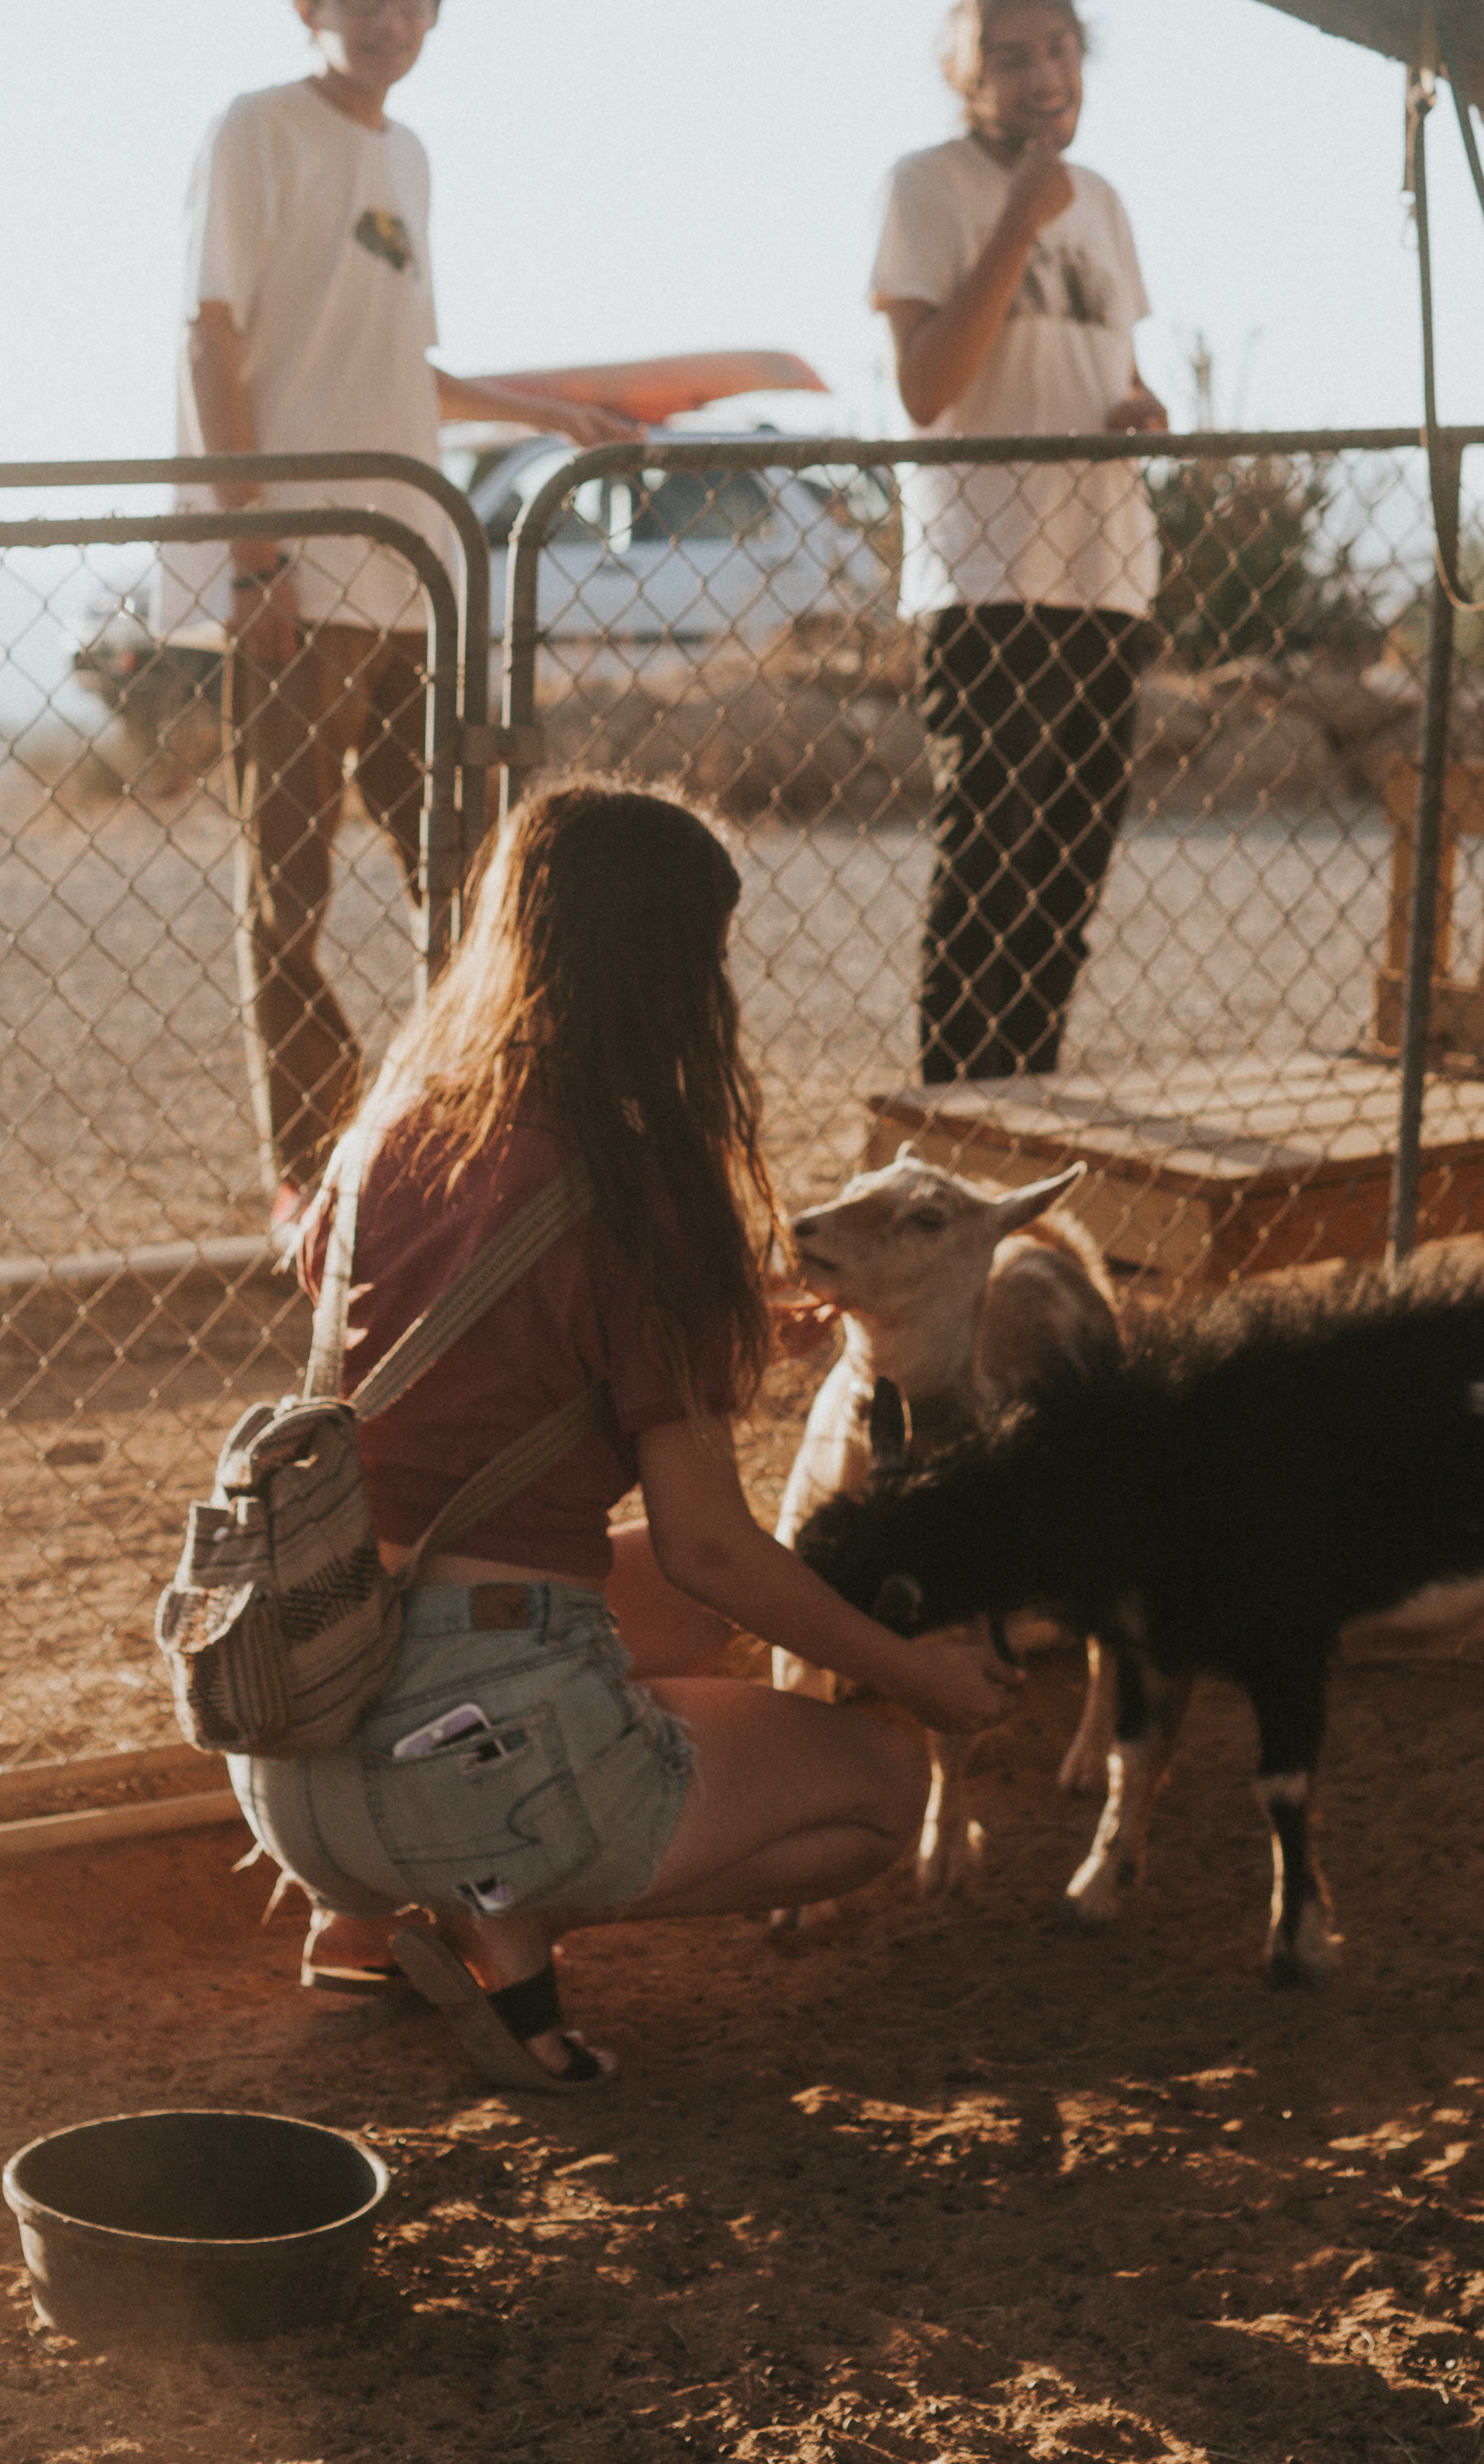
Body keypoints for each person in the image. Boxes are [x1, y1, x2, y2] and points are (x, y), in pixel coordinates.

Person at [233, 784, 1020, 2088]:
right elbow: (715, 1550)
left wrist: (704, 1326)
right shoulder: (644, 1183)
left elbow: (447, 1353)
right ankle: (499, 1899)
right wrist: (919, 1678)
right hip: (471, 1760)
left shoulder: (389, 1128)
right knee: (874, 1786)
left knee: (635, 1594)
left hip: (298, 1730)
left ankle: (362, 1922)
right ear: (669, 973)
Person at [159, 0, 616, 1234]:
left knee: (466, 873)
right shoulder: (258, 131)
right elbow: (212, 338)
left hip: (408, 568)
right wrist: (254, 557)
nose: (387, 18)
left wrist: (546, 414)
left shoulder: (407, 154)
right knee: (286, 888)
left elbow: (387, 371)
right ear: (311, 4)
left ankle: (470, 1132)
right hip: (300, 573)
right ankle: (311, 1168)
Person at [870, 0, 1169, 1084]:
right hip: (987, 573)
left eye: (1059, 51)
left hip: (1103, 571)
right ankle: (957, 1123)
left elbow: (1113, 370)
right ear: (965, 73)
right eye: (1011, 56)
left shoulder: (1104, 200)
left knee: (1064, 886)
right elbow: (926, 384)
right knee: (987, 873)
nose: (1042, 76)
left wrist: (1141, 412)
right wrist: (1017, 218)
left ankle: (1033, 1114)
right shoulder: (928, 185)